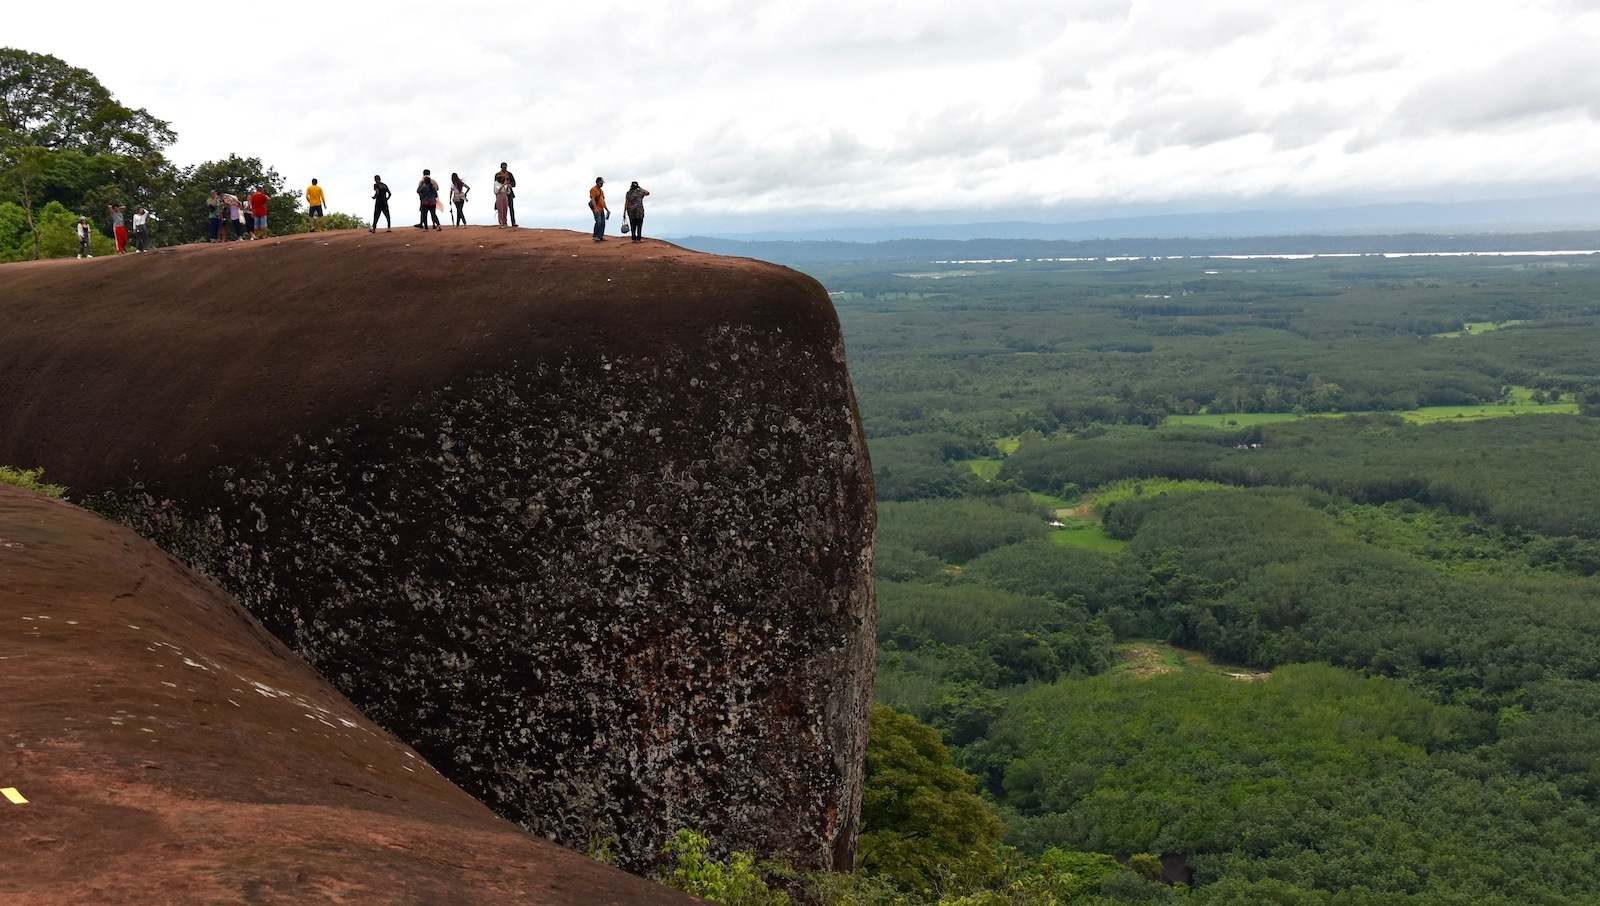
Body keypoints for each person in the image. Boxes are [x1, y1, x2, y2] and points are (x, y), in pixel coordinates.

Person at [494, 162, 517, 227]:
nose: (504, 168)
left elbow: (514, 183)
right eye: (503, 167)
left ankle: (513, 222)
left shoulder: (509, 174)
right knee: (501, 208)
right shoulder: (497, 174)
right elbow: (496, 185)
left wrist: (510, 185)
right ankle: (504, 222)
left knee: (511, 207)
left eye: (505, 167)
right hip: (500, 192)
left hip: (508, 192)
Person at [588, 177, 608, 241]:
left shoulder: (601, 191)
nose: (602, 184)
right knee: (598, 222)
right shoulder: (593, 189)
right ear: (597, 182)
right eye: (601, 183)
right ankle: (595, 236)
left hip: (601, 209)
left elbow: (603, 201)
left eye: (602, 183)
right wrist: (595, 208)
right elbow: (593, 199)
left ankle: (600, 236)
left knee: (603, 223)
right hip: (597, 209)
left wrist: (607, 209)